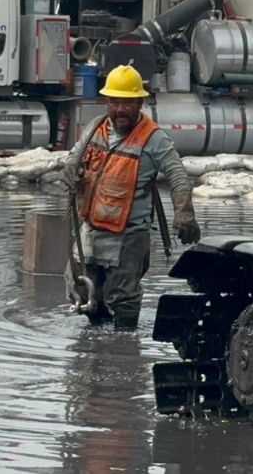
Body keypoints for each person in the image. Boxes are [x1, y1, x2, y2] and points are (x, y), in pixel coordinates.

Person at [61, 64, 201, 330]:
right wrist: (71, 168)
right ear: (106, 102)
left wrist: (184, 212)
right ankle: (94, 344)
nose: (120, 109)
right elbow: (75, 156)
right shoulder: (95, 128)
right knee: (83, 291)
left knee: (122, 298)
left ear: (140, 102)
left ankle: (125, 345)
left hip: (128, 235)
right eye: (115, 102)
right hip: (92, 229)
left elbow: (178, 175)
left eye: (128, 102)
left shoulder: (154, 139)